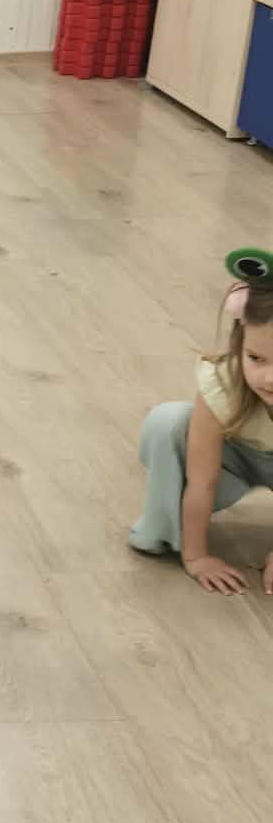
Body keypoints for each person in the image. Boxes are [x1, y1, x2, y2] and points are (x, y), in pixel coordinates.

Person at [130, 248, 273, 594]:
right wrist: (196, 557)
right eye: (256, 358)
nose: (269, 379)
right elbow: (202, 481)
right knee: (168, 422)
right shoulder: (223, 383)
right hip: (235, 459)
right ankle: (165, 525)